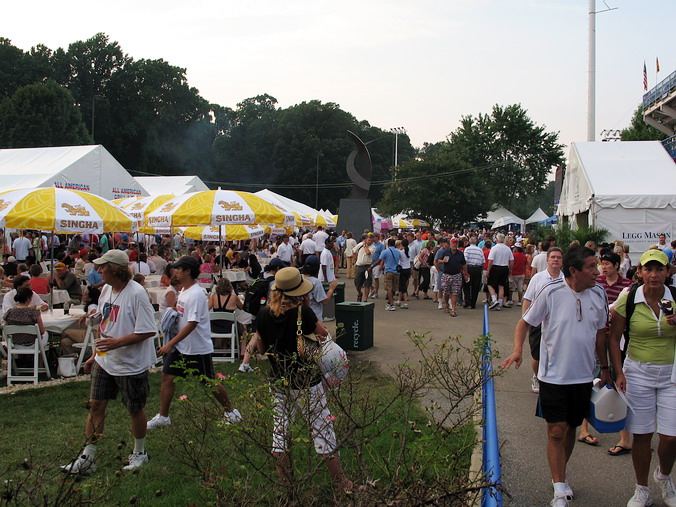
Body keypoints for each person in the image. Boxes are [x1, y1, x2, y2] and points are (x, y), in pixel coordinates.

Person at [501, 246, 610, 507]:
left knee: (570, 428)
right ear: (573, 271)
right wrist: (517, 350)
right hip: (552, 376)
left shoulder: (599, 293)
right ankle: (560, 489)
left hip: (583, 376)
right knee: (556, 431)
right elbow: (525, 322)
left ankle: (560, 474)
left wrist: (605, 368)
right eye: (591, 267)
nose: (597, 271)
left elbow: (600, 334)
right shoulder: (550, 291)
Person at [245, 267, 354, 493]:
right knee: (322, 428)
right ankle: (341, 481)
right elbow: (323, 334)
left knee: (280, 430)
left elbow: (262, 349)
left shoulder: (264, 314)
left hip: (278, 380)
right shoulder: (303, 313)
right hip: (306, 380)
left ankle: (285, 483)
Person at [60, 249, 157, 475]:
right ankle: (87, 458)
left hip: (130, 363)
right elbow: (106, 320)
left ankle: (140, 452)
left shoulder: (137, 293)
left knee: (134, 408)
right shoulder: (106, 289)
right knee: (95, 405)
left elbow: (148, 330)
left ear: (115, 269)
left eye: (103, 267)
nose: (99, 270)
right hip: (105, 360)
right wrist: (95, 352)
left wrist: (116, 343)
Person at [609, 249, 676, 507]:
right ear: (640, 272)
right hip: (638, 372)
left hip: (671, 373)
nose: (654, 275)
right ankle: (642, 489)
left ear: (668, 272)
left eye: (660, 269)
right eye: (648, 269)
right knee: (642, 434)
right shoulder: (629, 298)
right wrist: (618, 371)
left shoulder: (675, 297)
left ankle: (664, 476)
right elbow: (614, 338)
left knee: (671, 436)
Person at [148, 256, 241, 429]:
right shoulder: (184, 291)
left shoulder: (196, 294)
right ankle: (163, 416)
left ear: (187, 271)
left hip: (197, 348)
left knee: (209, 382)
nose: (175, 272)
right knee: (167, 377)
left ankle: (232, 412)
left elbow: (192, 323)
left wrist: (170, 343)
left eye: (178, 269)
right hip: (182, 346)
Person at [521, 247, 564, 394]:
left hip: (558, 324)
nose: (556, 260)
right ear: (547, 260)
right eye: (553, 257)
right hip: (538, 322)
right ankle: (537, 376)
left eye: (559, 257)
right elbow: (527, 299)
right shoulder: (538, 278)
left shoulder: (566, 279)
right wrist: (525, 321)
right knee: (537, 354)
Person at [60, 287, 101, 356]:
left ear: (90, 298)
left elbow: (96, 314)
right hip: (90, 333)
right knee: (65, 342)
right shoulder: (93, 305)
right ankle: (73, 360)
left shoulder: (92, 306)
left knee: (65, 332)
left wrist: (85, 316)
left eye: (85, 294)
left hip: (92, 334)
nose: (83, 295)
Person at [487, 233, 514, 310]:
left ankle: (494, 299)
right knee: (501, 286)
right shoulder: (507, 249)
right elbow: (512, 261)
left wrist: (488, 270)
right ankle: (500, 303)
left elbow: (490, 260)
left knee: (490, 284)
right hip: (504, 267)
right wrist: (510, 270)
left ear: (497, 239)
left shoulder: (494, 248)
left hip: (495, 267)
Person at [375, 238, 402, 311]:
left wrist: (372, 267)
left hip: (389, 271)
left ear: (388, 244)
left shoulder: (385, 251)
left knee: (388, 288)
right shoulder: (398, 252)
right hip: (396, 271)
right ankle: (389, 302)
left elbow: (379, 260)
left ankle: (391, 304)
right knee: (393, 288)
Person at [463, 237, 484, 309]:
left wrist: (465, 272)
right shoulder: (480, 250)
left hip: (469, 268)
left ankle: (467, 301)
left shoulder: (467, 249)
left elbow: (465, 261)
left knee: (466, 285)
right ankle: (473, 303)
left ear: (469, 242)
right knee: (475, 286)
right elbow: (483, 261)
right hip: (477, 268)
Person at [353, 234, 375, 302]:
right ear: (365, 240)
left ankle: (365, 299)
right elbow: (354, 251)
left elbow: (368, 253)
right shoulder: (360, 245)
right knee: (357, 283)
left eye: (371, 241)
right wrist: (355, 259)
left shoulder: (372, 247)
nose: (370, 242)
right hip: (360, 266)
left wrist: (365, 247)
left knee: (367, 284)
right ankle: (359, 293)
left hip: (367, 266)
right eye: (369, 240)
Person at [397, 239, 412, 309]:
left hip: (402, 269)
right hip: (408, 269)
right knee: (402, 285)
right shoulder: (410, 250)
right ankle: (399, 300)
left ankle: (405, 303)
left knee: (403, 287)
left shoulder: (400, 251)